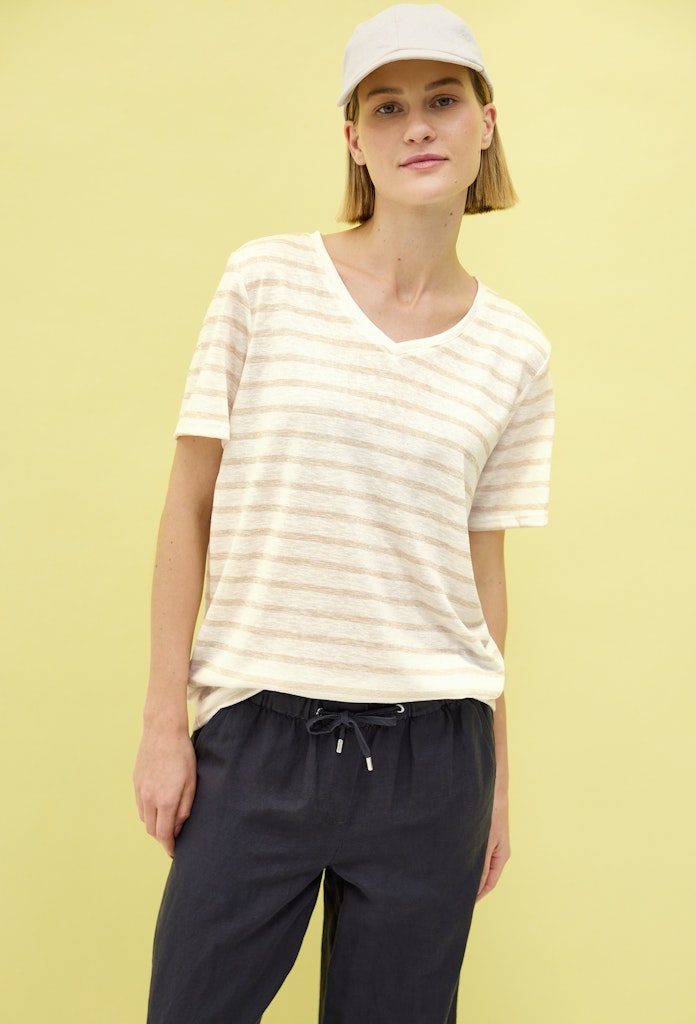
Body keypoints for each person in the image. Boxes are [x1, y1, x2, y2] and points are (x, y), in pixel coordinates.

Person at [133, 4, 555, 1022]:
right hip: (258, 738)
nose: (418, 126)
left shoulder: (515, 351)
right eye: (387, 107)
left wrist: (498, 776)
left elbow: (480, 572)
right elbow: (189, 502)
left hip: (437, 759)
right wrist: (162, 724)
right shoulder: (265, 281)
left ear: (485, 123)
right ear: (355, 140)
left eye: (442, 100)